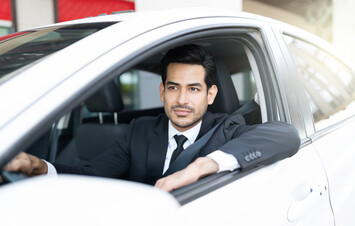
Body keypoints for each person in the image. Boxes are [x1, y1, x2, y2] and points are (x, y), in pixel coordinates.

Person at [4, 44, 300, 192]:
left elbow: (286, 135)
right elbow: (93, 176)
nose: (182, 100)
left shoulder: (226, 129)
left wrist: (199, 167)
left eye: (194, 89)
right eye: (174, 87)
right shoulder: (140, 130)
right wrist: (39, 167)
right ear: (162, 91)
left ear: (210, 95)